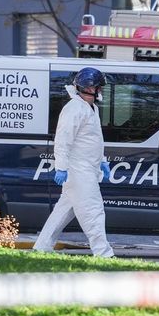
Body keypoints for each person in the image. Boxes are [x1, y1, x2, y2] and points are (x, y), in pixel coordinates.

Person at [33, 67, 114, 258]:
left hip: (84, 169)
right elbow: (63, 141)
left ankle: (41, 247)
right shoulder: (74, 108)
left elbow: (91, 140)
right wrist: (61, 168)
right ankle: (104, 254)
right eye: (99, 87)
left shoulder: (89, 108)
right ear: (89, 87)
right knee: (93, 211)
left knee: (63, 212)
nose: (101, 91)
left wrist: (102, 161)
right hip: (79, 171)